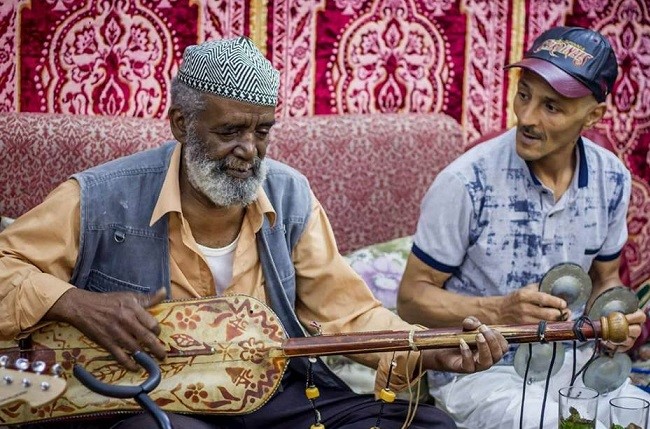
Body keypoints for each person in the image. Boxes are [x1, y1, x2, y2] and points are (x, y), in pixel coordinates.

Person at [0, 36, 508, 429]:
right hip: (154, 396)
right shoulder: (97, 196)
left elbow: (349, 314)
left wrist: (427, 348)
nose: (249, 150)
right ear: (180, 123)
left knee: (429, 424)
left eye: (262, 131)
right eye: (229, 132)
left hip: (276, 395)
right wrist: (73, 302)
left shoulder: (289, 196)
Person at [397, 26, 649, 429]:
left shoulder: (612, 180)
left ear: (593, 115)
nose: (526, 117)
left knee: (638, 415)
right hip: (483, 373)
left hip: (575, 365)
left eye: (552, 106)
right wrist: (499, 310)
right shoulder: (466, 182)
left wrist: (615, 320)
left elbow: (606, 278)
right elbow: (411, 298)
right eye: (524, 94)